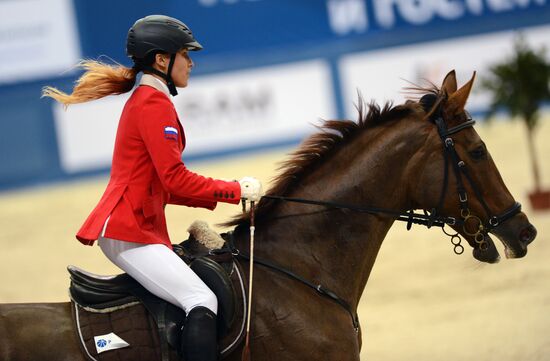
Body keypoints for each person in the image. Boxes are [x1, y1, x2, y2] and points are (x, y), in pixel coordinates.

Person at [42, 14, 262, 361]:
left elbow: (166, 187)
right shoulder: (151, 103)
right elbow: (175, 177)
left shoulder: (150, 100)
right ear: (162, 59)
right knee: (201, 299)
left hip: (136, 228)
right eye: (185, 54)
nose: (191, 61)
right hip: (128, 232)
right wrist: (234, 189)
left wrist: (229, 195)